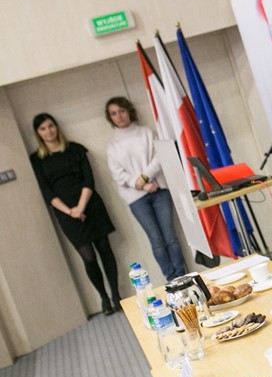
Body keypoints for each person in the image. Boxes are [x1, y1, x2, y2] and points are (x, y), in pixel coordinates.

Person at [29, 113, 121, 315]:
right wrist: (70, 211)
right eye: (43, 128)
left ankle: (116, 296)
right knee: (88, 257)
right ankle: (104, 298)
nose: (48, 131)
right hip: (65, 213)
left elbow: (89, 180)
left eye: (51, 126)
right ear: (38, 133)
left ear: (57, 126)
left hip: (90, 205)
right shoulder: (36, 160)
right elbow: (46, 192)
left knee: (104, 249)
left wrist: (80, 207)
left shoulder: (75, 149)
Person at [105, 96, 187, 282]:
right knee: (156, 241)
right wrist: (140, 183)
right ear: (110, 118)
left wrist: (145, 177)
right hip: (136, 198)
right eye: (114, 113)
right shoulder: (112, 144)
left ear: (129, 111)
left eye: (121, 111)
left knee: (170, 237)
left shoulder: (146, 133)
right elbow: (117, 173)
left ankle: (182, 275)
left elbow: (159, 157)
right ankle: (171, 279)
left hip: (159, 191)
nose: (119, 116)